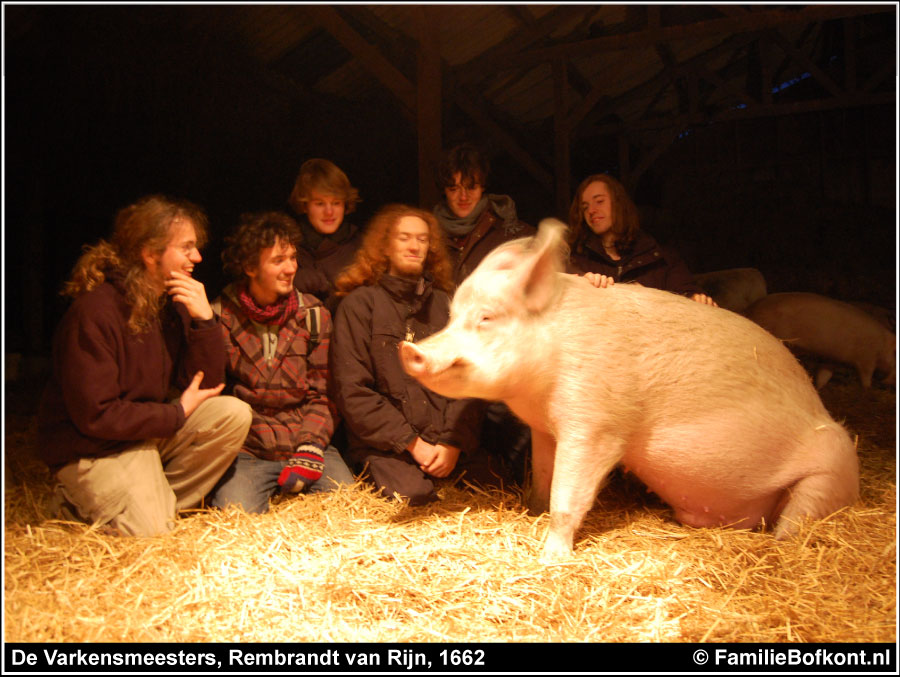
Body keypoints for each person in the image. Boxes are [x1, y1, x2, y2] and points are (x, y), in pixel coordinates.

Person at [36, 194, 252, 537]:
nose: (197, 257)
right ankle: (76, 503)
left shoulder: (170, 303)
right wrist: (174, 414)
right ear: (150, 254)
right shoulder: (95, 313)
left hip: (142, 433)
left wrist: (205, 321)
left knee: (232, 414)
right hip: (94, 448)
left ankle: (152, 504)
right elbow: (97, 416)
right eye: (186, 248)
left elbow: (207, 383)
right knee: (152, 534)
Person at [329, 204, 484, 505]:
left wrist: (453, 442)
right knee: (416, 498)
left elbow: (469, 380)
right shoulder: (360, 306)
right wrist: (412, 444)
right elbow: (353, 391)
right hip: (388, 448)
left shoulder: (444, 305)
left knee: (495, 490)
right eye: (404, 238)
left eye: (422, 239)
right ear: (385, 246)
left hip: (444, 444)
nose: (414, 246)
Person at [206, 212, 355, 514]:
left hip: (306, 443)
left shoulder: (313, 315)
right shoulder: (221, 316)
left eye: (293, 258)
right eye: (278, 261)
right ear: (250, 267)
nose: (290, 268)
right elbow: (212, 393)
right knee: (235, 516)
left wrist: (310, 448)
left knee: (349, 505)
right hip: (249, 451)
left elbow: (324, 394)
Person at [568, 173, 716, 304]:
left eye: (599, 201)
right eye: (585, 207)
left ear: (619, 203)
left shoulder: (661, 258)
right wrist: (583, 285)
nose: (591, 211)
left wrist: (696, 299)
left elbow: (687, 293)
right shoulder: (577, 260)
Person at [432, 142, 534, 286]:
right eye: (454, 189)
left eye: (471, 188)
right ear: (444, 190)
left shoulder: (513, 234)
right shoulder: (428, 235)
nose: (463, 197)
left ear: (483, 187)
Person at [287, 158, 364, 314]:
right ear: (304, 205)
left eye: (336, 203)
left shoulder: (362, 248)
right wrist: (291, 285)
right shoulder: (288, 248)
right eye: (320, 203)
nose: (329, 212)